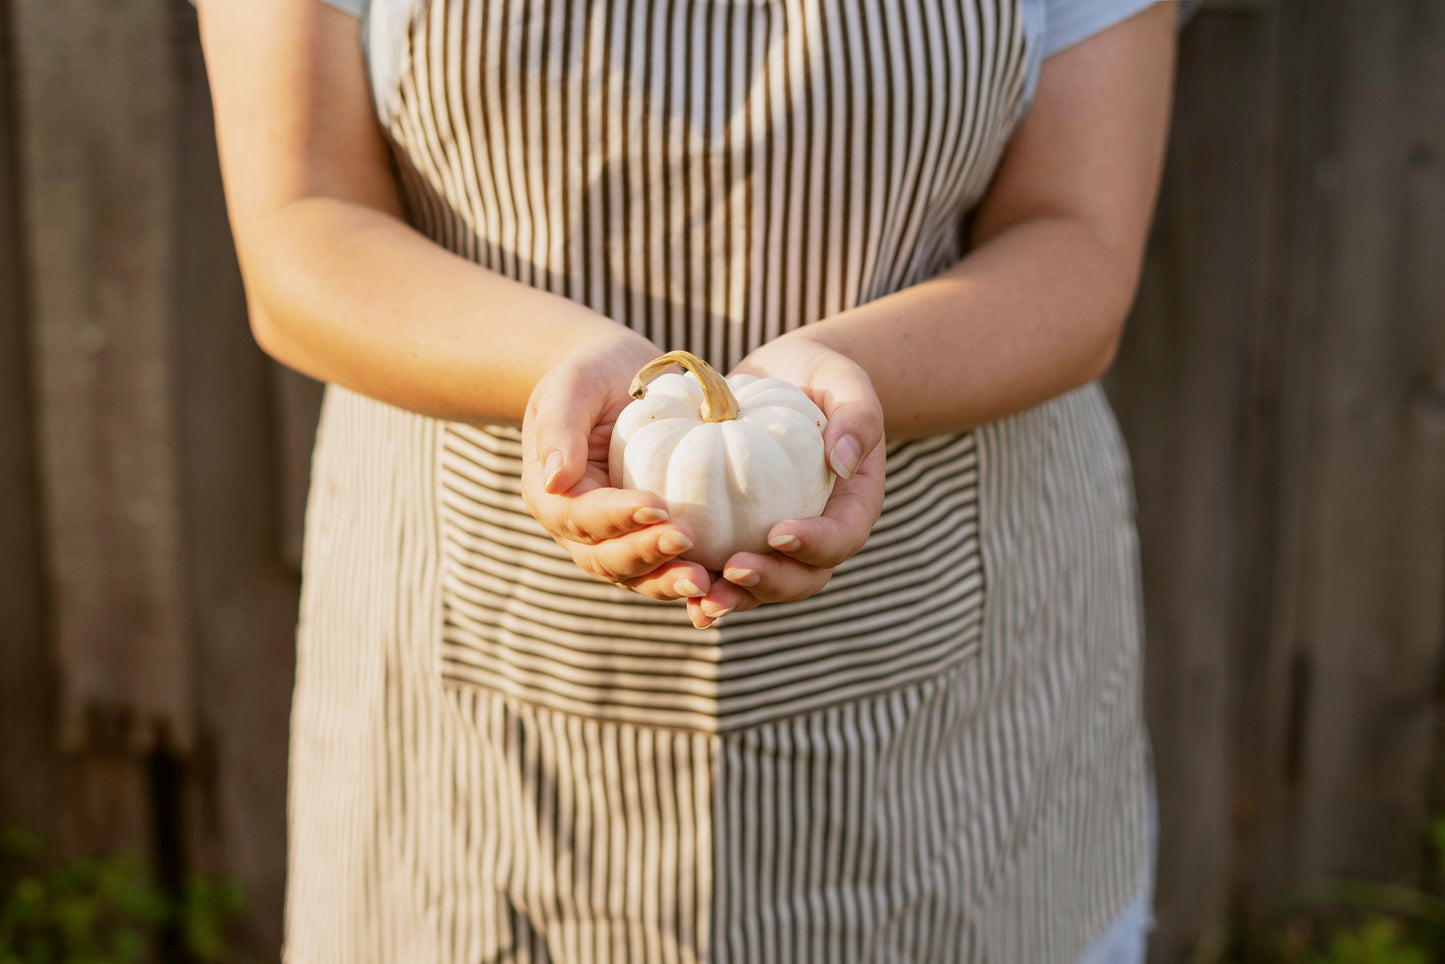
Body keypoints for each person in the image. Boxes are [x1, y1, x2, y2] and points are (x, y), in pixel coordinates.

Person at [198, 0, 1175, 959]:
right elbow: (302, 217)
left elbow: (1077, 237)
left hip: (953, 707)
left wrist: (848, 373)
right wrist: (556, 360)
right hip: (472, 703)